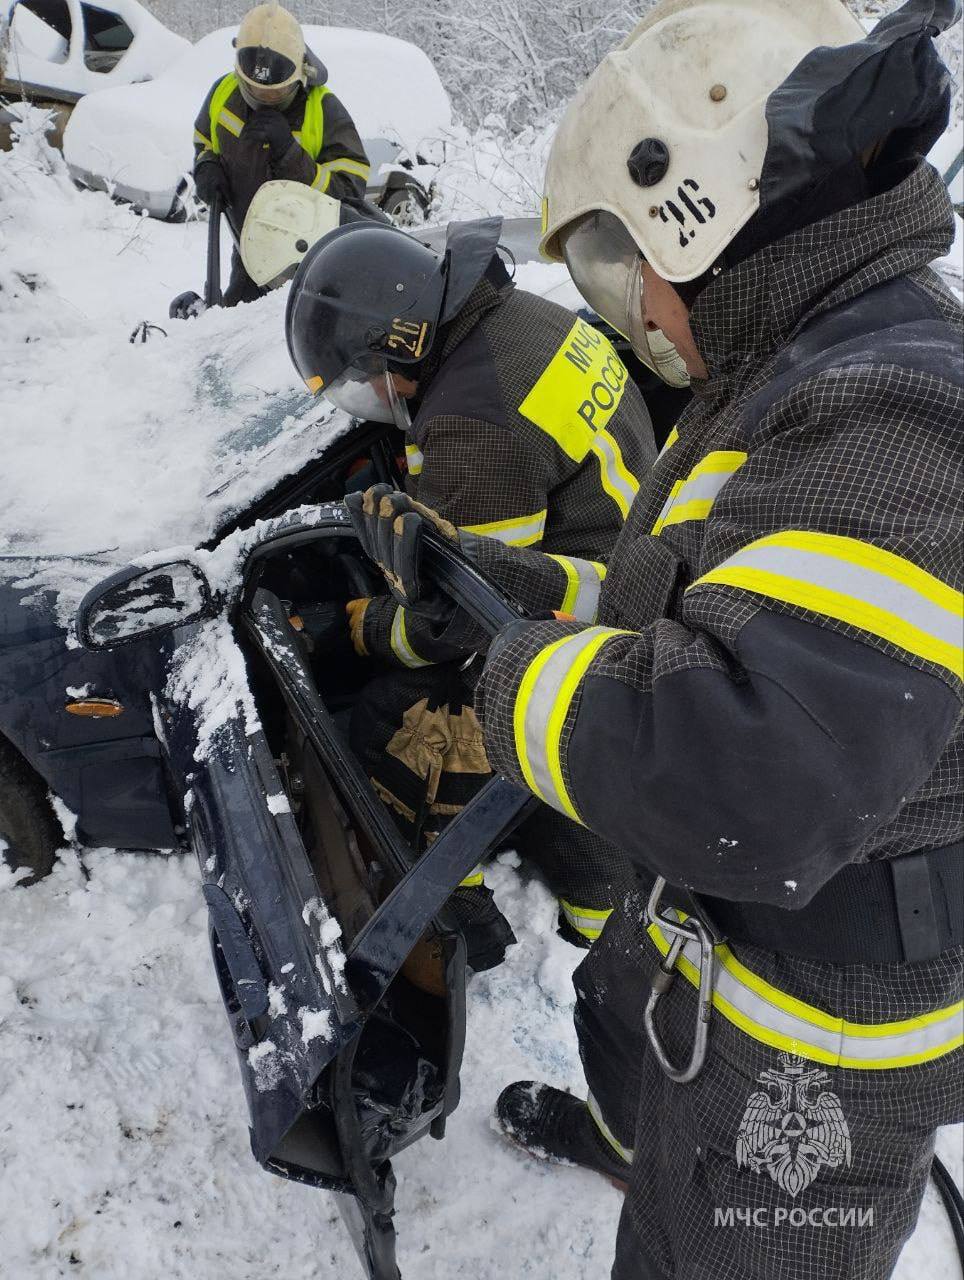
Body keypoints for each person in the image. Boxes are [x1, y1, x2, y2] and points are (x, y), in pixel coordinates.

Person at [344, 0, 964, 1275]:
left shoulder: (895, 413)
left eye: (622, 274)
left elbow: (739, 767)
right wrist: (498, 582)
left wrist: (505, 667)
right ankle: (636, 1142)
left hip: (815, 1055)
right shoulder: (795, 365)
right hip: (714, 959)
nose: (636, 318)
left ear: (706, 210)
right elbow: (691, 609)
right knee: (633, 1086)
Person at [285, 216, 671, 966]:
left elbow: (457, 620)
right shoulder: (521, 319)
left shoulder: (471, 423)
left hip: (591, 614)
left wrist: (354, 627)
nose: (365, 395)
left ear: (397, 345)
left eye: (361, 378)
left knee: (402, 719)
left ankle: (583, 933)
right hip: (631, 555)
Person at [192, 2, 370, 307]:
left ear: (300, 75)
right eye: (254, 91)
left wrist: (289, 152)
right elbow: (203, 140)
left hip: (309, 266)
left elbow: (350, 192)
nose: (263, 101)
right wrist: (206, 165)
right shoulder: (223, 93)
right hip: (248, 251)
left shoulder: (323, 109)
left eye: (274, 94)